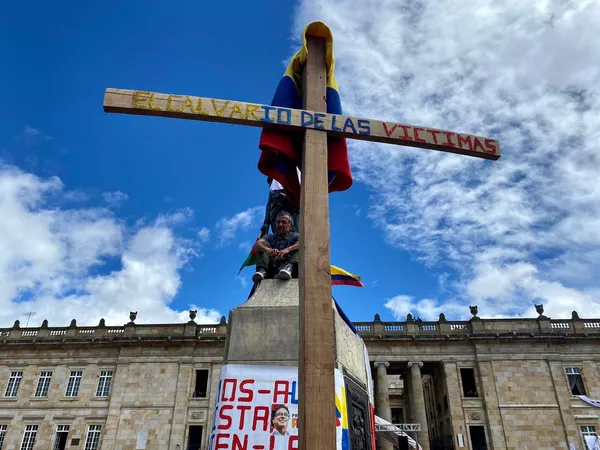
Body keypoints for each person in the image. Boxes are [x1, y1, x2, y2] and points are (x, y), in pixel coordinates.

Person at [252, 212, 299, 282]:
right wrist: (268, 250)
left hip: (292, 266)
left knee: (301, 248)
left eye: (284, 222)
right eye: (278, 222)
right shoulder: (269, 237)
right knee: (261, 246)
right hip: (273, 266)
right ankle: (261, 271)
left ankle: (289, 267)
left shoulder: (295, 236)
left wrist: (288, 249)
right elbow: (256, 245)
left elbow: (303, 242)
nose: (280, 224)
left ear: (291, 226)